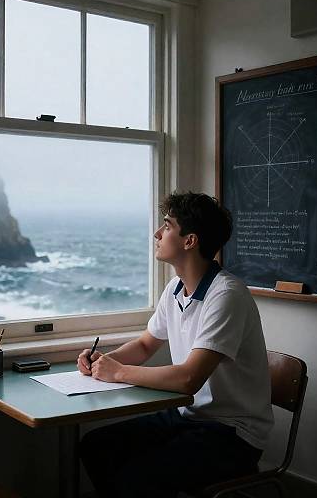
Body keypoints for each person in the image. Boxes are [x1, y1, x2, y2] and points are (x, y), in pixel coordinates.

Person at [77, 191, 274, 498]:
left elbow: (188, 379)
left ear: (189, 241)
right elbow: (145, 345)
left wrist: (118, 373)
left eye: (167, 226)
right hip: (189, 416)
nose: (157, 233)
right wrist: (103, 361)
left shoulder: (226, 295)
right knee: (95, 446)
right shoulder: (175, 288)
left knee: (135, 477)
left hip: (233, 434)